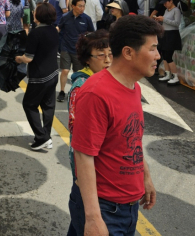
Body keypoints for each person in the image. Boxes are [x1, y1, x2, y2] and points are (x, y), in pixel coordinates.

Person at [68, 16, 160, 236]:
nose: (158, 56)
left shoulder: (133, 87)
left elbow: (131, 140)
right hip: (105, 208)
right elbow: (83, 155)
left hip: (128, 206)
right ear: (128, 52)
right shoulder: (95, 93)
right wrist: (92, 218)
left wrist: (145, 177)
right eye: (153, 49)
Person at [15, 3, 60, 151]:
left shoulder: (35, 33)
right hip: (53, 73)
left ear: (39, 16)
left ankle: (42, 137)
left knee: (29, 104)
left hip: (39, 76)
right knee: (48, 106)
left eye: (35, 12)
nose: (33, 14)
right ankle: (46, 136)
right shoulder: (54, 30)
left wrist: (18, 59)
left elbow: (28, 58)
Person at [67, 30, 111, 176]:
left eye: (110, 53)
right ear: (87, 58)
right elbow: (77, 130)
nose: (107, 60)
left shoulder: (112, 80)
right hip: (90, 162)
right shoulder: (81, 87)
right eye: (100, 55)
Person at [57, 0, 95, 103]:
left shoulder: (86, 19)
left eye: (83, 6)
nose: (82, 8)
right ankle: (62, 91)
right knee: (65, 70)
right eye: (80, 6)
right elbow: (59, 28)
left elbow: (92, 33)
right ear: (73, 6)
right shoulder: (65, 17)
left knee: (77, 73)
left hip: (79, 50)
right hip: (66, 47)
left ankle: (74, 91)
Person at [154, 0, 182, 85]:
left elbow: (176, 23)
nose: (164, 5)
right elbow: (167, 22)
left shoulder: (176, 10)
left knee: (169, 56)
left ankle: (175, 76)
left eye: (166, 2)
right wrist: (160, 20)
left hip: (172, 34)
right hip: (165, 33)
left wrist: (164, 19)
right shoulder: (167, 10)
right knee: (164, 55)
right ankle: (168, 74)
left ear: (171, 1)